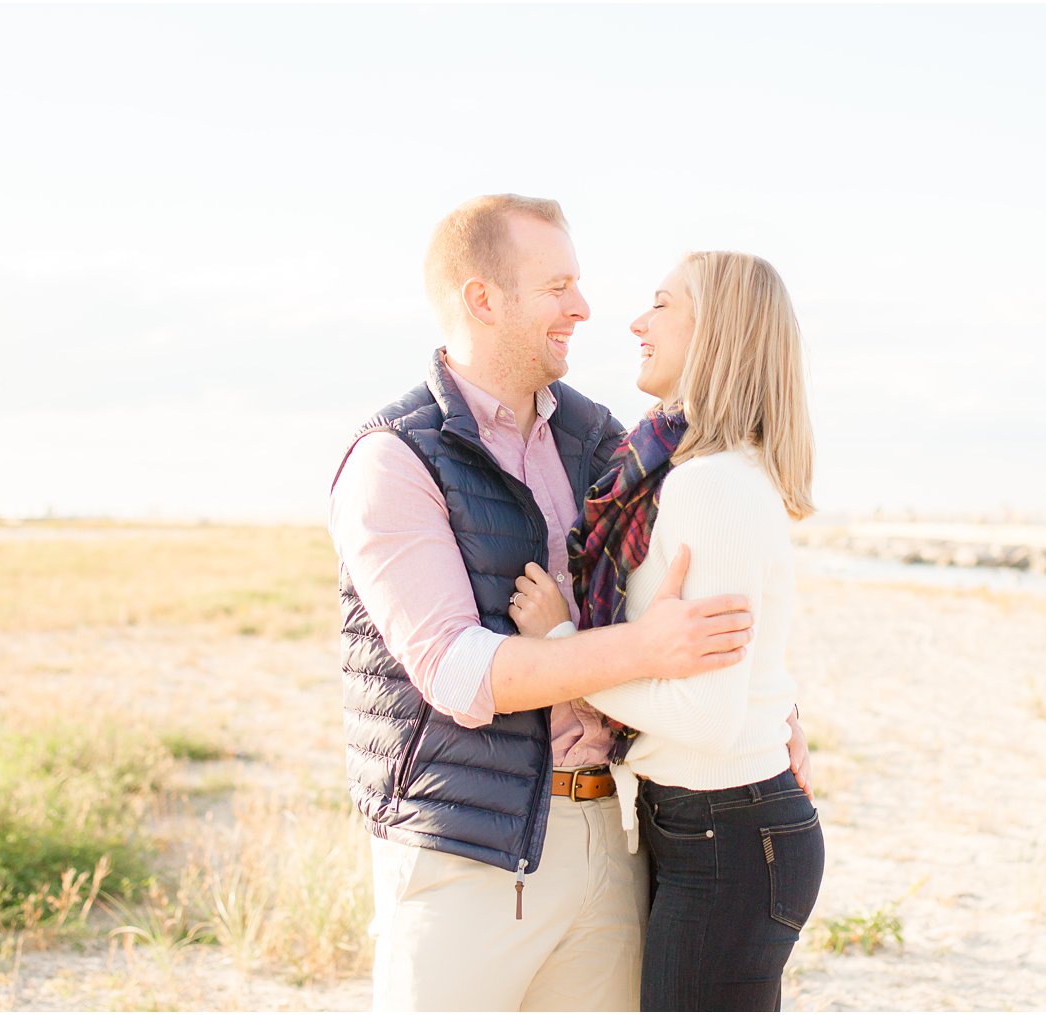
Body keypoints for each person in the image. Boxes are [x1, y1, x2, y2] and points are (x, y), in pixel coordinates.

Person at [328, 195, 810, 1011]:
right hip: (464, 861)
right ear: (484, 298)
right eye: (559, 286)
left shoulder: (606, 443)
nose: (585, 308)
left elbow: (723, 576)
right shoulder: (394, 458)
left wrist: (777, 713)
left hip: (612, 838)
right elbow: (457, 670)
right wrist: (639, 651)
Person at [510, 251, 825, 1011]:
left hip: (728, 831)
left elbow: (705, 718)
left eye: (660, 305)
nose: (636, 322)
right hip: (704, 826)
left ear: (715, 332)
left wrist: (562, 649)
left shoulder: (710, 485)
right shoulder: (683, 470)